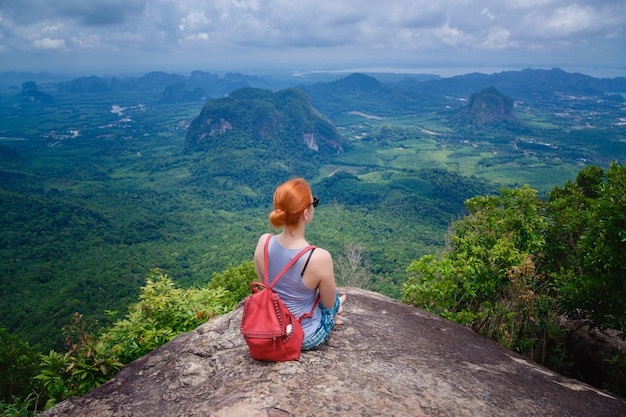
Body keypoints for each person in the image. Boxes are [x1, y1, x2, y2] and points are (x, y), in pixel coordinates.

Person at [253, 178, 345, 350]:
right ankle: (339, 308)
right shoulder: (319, 257)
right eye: (313, 203)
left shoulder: (263, 243)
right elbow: (327, 304)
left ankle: (339, 305)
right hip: (303, 336)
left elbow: (267, 288)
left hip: (270, 328)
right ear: (305, 213)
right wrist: (334, 307)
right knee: (332, 303)